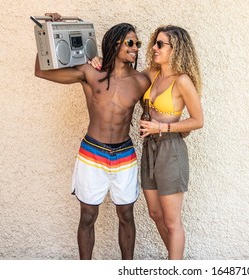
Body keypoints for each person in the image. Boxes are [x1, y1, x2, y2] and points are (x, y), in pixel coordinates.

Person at [34, 13, 150, 259]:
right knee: (87, 215)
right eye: (130, 43)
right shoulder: (91, 73)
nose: (135, 48)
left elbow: (151, 112)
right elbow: (42, 72)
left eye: (137, 44)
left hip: (124, 155)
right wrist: (50, 27)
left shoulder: (141, 81)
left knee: (127, 214)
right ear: (115, 44)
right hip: (92, 153)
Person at [91, 25, 203, 259]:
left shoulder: (182, 81)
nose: (153, 47)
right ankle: (175, 258)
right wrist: (100, 62)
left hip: (171, 148)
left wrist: (163, 127)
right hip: (150, 148)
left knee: (172, 221)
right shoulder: (151, 74)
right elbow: (122, 76)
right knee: (154, 213)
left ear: (176, 49)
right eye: (154, 42)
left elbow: (197, 120)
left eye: (160, 44)